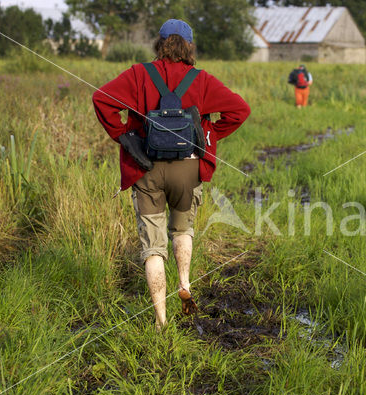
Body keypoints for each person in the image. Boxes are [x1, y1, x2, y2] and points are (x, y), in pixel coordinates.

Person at [92, 19, 250, 329]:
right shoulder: (201, 79)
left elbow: (102, 99)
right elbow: (239, 109)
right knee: (182, 231)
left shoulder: (139, 74)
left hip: (146, 169)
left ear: (159, 43)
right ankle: (185, 282)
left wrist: (125, 135)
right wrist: (209, 134)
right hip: (187, 169)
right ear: (189, 46)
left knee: (153, 247)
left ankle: (161, 320)